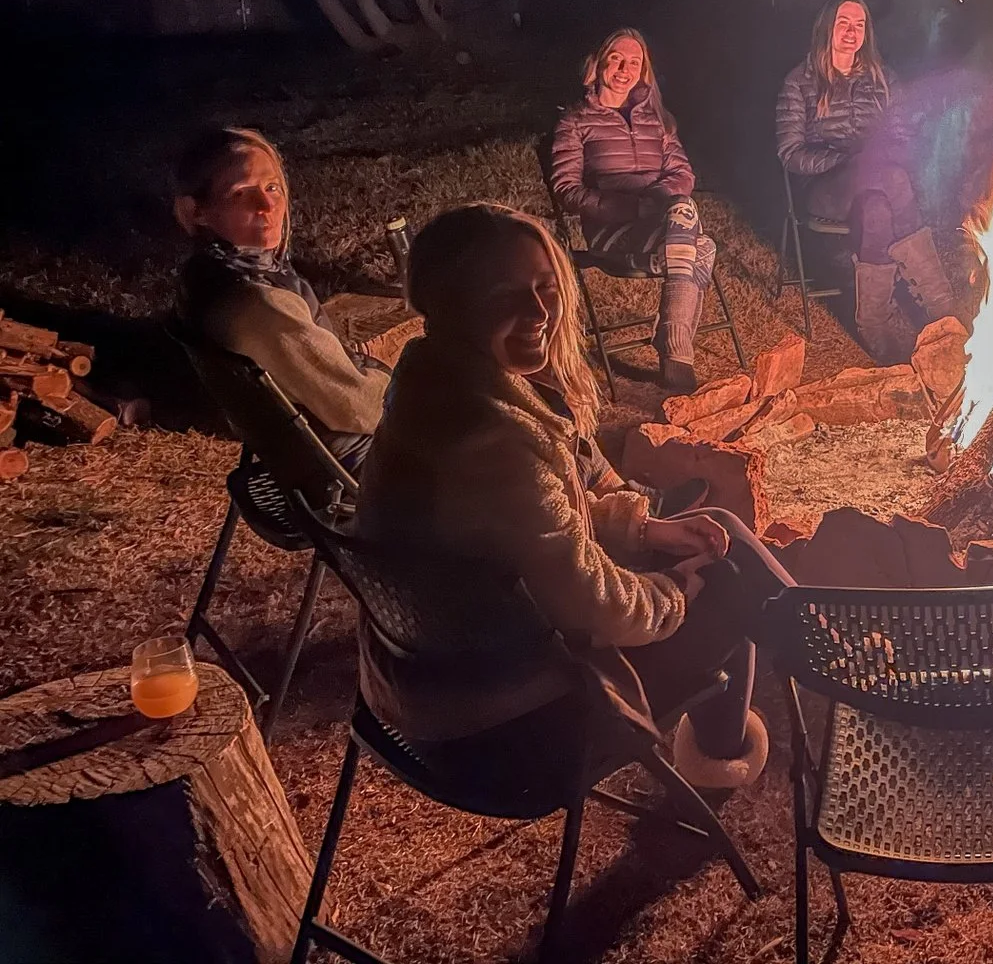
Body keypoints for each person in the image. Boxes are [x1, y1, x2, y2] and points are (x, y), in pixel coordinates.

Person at [354, 203, 793, 798]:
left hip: (427, 686)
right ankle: (746, 728)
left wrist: (646, 530)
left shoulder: (429, 384)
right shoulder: (492, 439)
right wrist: (676, 594)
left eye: (544, 287)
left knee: (711, 529)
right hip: (506, 731)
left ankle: (786, 659)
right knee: (729, 579)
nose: (538, 311)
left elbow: (530, 528)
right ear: (450, 301)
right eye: (504, 294)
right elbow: (594, 604)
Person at [174, 126, 386, 476]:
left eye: (272, 187)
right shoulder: (260, 306)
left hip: (304, 460)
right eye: (241, 193)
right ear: (195, 210)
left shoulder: (202, 276)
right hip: (357, 468)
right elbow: (361, 409)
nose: (267, 205)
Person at [775, 0, 956, 361]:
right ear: (827, 27)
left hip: (879, 183)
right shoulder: (801, 82)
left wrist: (884, 156)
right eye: (844, 22)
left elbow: (904, 135)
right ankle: (943, 307)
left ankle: (874, 323)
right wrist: (845, 160)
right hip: (826, 186)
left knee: (877, 209)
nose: (851, 32)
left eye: (859, 25)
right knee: (886, 177)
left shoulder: (882, 78)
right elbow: (790, 153)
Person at [550, 28, 715, 394]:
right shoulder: (575, 122)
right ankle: (675, 351)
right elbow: (567, 189)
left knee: (687, 221)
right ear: (599, 64)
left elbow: (683, 173)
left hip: (662, 225)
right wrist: (629, 206)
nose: (625, 69)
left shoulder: (658, 121)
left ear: (644, 73)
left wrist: (654, 201)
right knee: (699, 246)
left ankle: (674, 350)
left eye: (635, 63)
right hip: (613, 232)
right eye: (617, 60)